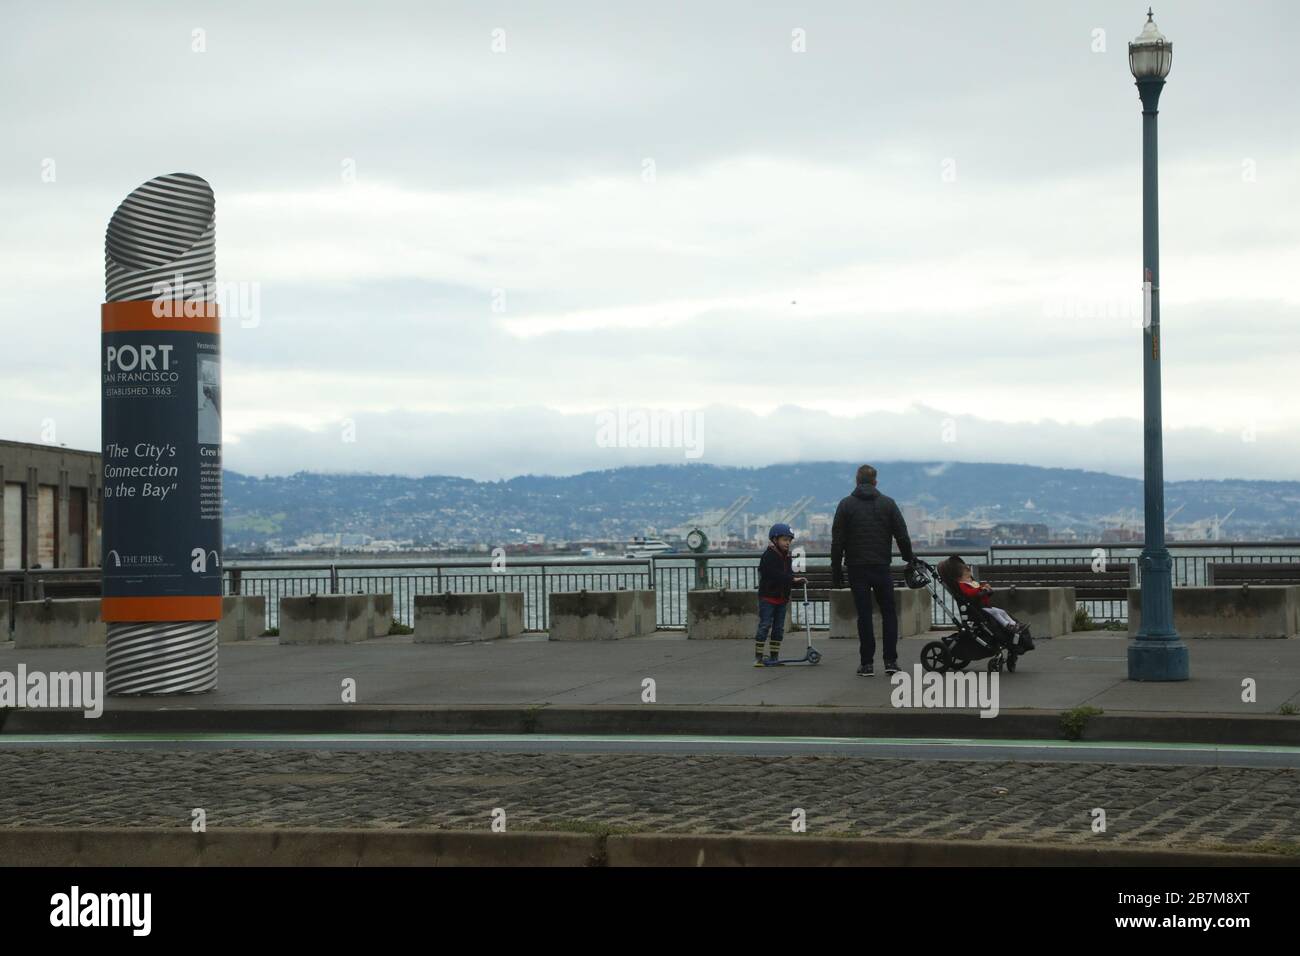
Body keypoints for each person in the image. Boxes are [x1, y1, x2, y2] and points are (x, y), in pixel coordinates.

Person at [830, 464, 917, 677]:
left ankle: (867, 663)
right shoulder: (888, 504)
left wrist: (836, 570)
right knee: (889, 613)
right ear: (875, 482)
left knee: (864, 615)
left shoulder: (845, 505)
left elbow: (837, 541)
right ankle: (891, 661)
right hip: (881, 566)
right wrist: (909, 558)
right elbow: (902, 536)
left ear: (856, 481)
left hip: (856, 567)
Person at [936, 556, 1030, 637]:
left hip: (984, 606)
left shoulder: (970, 583)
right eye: (967, 577)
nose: (970, 579)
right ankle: (1007, 625)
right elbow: (969, 593)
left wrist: (985, 588)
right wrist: (981, 590)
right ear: (959, 578)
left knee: (1002, 612)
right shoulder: (962, 585)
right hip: (978, 608)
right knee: (996, 613)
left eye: (970, 577)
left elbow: (979, 590)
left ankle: (1015, 624)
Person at [754, 522, 806, 667]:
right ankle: (758, 657)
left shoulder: (786, 557)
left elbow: (786, 575)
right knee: (765, 625)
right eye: (784, 540)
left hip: (782, 599)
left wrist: (796, 581)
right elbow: (773, 574)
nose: (787, 543)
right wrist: (790, 578)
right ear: (775, 540)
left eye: (789, 540)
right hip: (768, 597)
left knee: (778, 628)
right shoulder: (769, 555)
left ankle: (774, 656)